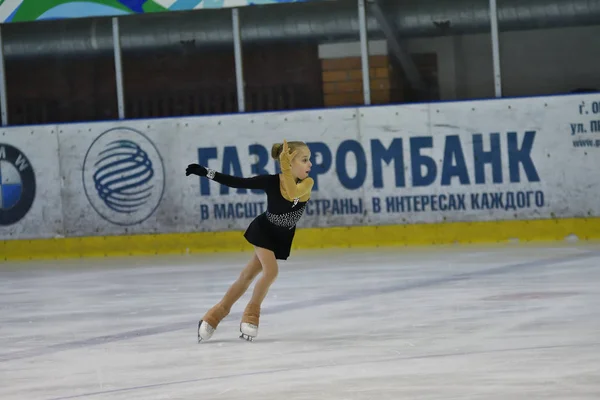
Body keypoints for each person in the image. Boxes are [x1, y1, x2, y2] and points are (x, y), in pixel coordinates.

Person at [185, 140, 314, 342]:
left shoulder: (307, 184)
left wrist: (285, 169)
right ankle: (251, 313)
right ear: (290, 162)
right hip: (264, 230)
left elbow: (291, 193)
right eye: (305, 160)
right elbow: (238, 182)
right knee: (271, 271)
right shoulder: (270, 181)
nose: (310, 164)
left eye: (309, 160)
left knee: (246, 276)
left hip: (281, 236)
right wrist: (207, 172)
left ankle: (215, 314)